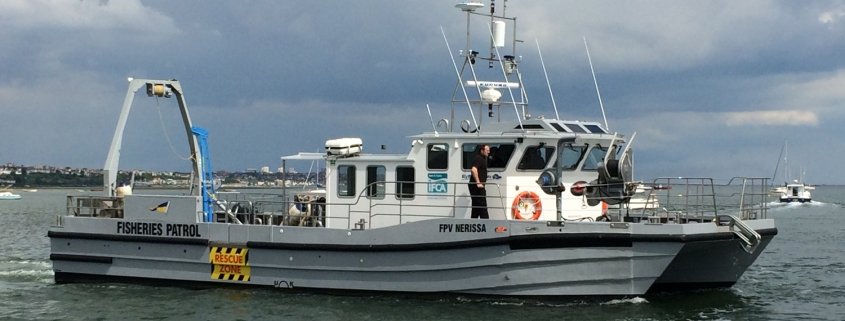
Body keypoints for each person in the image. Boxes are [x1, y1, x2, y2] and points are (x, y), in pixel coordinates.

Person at [468, 144, 490, 219]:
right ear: (482, 150)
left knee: (476, 208)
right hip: (477, 187)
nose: (489, 152)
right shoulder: (479, 159)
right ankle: (486, 224)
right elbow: (473, 169)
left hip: (475, 186)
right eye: (487, 150)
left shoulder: (483, 158)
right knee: (482, 207)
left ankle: (473, 222)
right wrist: (478, 182)